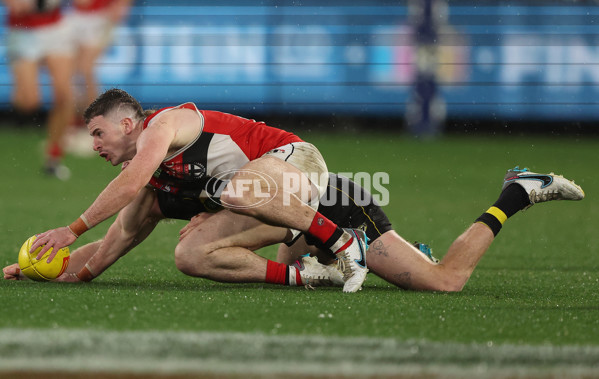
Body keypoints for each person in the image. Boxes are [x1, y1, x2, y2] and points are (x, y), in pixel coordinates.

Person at [15, 88, 369, 292]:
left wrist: (71, 229)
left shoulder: (160, 127)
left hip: (295, 161)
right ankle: (310, 273)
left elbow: (130, 183)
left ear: (126, 125)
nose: (94, 145)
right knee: (190, 255)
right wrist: (67, 272)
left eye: (97, 133)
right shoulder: (151, 172)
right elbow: (121, 234)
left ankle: (345, 242)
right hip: (276, 206)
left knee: (237, 194)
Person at [4, 168, 584, 292]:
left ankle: (516, 193)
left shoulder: (218, 168)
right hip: (305, 233)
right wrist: (38, 266)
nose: (113, 160)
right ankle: (324, 267)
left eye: (109, 142)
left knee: (445, 283)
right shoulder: (151, 199)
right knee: (197, 245)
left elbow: (286, 199)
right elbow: (96, 261)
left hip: (334, 207)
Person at [2, 0, 75, 179]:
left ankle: (53, 157)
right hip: (23, 31)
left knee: (65, 96)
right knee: (29, 102)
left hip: (55, 29)